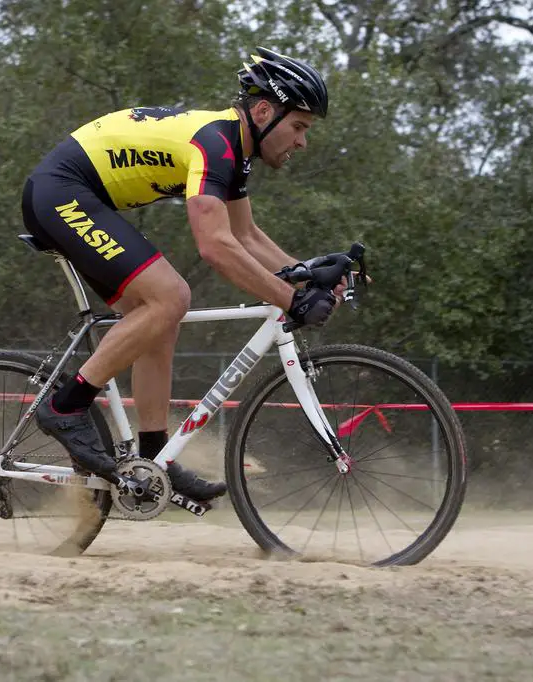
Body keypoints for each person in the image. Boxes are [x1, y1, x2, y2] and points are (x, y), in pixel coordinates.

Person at [21, 47, 344, 501]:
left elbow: (246, 235)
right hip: (60, 192)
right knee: (171, 296)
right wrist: (291, 299)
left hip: (77, 195)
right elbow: (214, 245)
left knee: (161, 318)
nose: (302, 142)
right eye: (299, 127)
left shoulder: (235, 149)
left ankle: (156, 460)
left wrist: (307, 276)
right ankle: (65, 406)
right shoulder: (217, 143)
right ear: (265, 110)